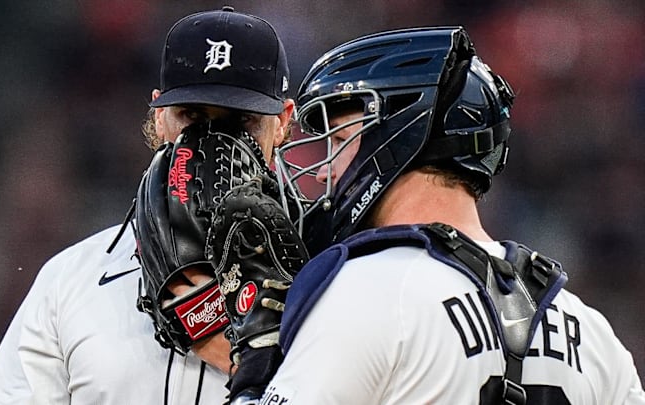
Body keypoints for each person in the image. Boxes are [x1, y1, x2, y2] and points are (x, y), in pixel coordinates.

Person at [260, 27, 645, 404]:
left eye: (340, 140)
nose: (323, 170)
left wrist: (242, 370)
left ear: (399, 137)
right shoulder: (594, 334)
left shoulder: (367, 290)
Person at [0, 7, 294, 404]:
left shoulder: (329, 275)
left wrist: (231, 344)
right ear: (159, 116)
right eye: (192, 116)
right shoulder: (71, 280)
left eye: (241, 122)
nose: (214, 146)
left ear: (282, 122)